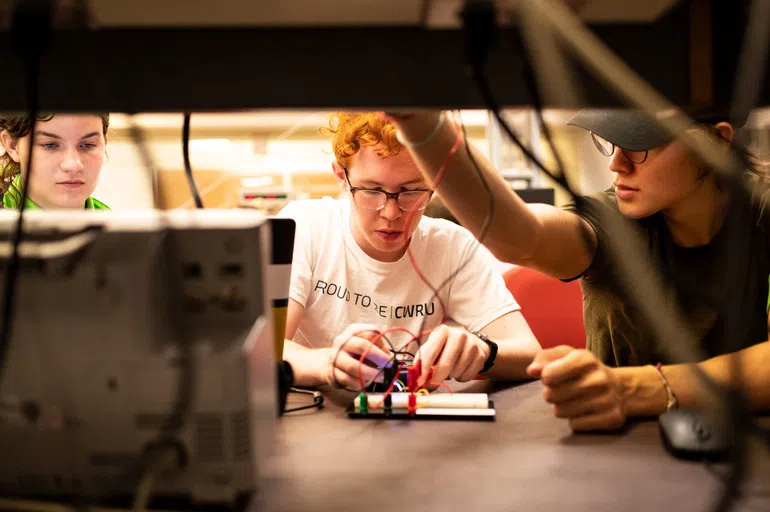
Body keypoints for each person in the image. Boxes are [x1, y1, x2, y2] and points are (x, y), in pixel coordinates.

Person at [387, 109, 770, 431]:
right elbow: (518, 237)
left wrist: (638, 388)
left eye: (639, 146)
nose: (615, 163)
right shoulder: (609, 222)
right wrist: (421, 123)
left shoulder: (762, 214)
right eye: (610, 142)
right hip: (620, 445)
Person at [279, 112, 541, 390]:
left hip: (411, 422)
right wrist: (327, 362)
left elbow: (532, 355)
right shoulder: (302, 227)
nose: (391, 213)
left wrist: (484, 352)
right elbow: (262, 351)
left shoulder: (452, 246)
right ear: (341, 176)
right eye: (371, 190)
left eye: (412, 191)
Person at [0, 113, 110, 210]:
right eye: (50, 145)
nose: (73, 165)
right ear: (13, 146)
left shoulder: (114, 226)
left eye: (88, 145)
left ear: (104, 144)